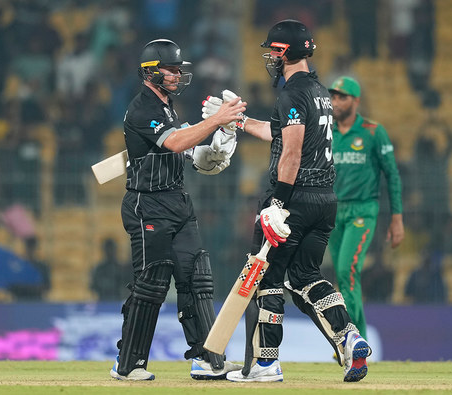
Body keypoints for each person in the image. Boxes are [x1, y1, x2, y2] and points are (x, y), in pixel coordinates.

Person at [204, 20, 371, 383]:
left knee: (267, 279)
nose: (269, 58)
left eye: (272, 51)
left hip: (294, 199)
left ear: (284, 52)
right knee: (308, 276)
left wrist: (278, 202)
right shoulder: (320, 91)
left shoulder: (292, 94)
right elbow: (278, 132)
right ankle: (349, 336)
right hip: (325, 200)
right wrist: (239, 120)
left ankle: (265, 364)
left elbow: (291, 153)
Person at [109, 38, 246, 381]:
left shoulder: (167, 107)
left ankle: (208, 358)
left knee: (197, 278)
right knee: (151, 283)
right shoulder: (142, 108)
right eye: (170, 70)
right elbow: (174, 142)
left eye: (177, 70)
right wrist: (216, 121)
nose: (176, 75)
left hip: (177, 201)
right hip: (148, 205)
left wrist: (210, 154)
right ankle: (128, 365)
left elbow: (183, 149)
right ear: (150, 72)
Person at [327, 76, 404, 340]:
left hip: (363, 211)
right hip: (333, 212)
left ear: (356, 101)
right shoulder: (327, 132)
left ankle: (352, 338)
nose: (336, 102)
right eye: (334, 96)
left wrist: (396, 219)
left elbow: (392, 175)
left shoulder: (373, 131)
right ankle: (354, 341)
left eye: (342, 97)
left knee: (347, 270)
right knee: (342, 276)